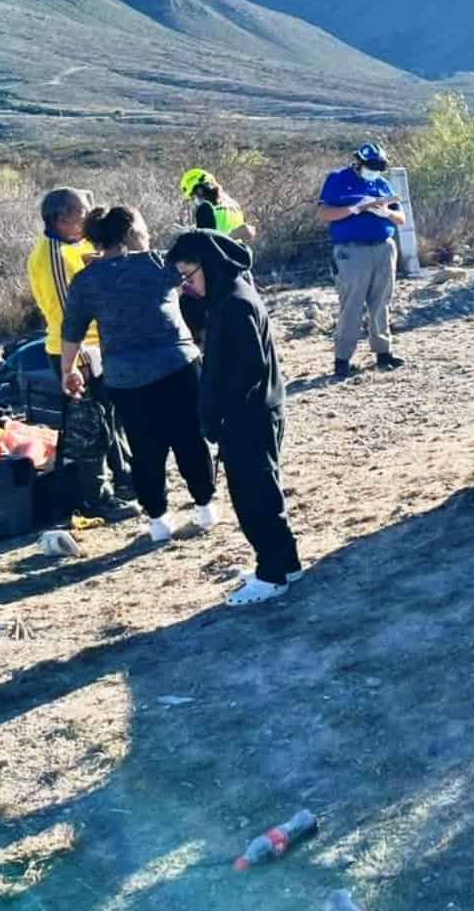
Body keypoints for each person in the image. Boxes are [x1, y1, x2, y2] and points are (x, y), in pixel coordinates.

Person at [60, 206, 219, 543]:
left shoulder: (86, 280)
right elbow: (195, 270)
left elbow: (72, 329)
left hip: (126, 377)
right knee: (190, 439)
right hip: (178, 365)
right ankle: (205, 507)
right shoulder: (157, 263)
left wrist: (68, 369)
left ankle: (159, 521)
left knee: (145, 449)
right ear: (131, 232)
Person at [167, 229, 302, 604]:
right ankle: (285, 563)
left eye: (189, 275)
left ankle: (272, 575)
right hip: (250, 414)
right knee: (262, 492)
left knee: (254, 498)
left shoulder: (236, 304)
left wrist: (223, 415)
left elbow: (248, 369)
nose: (187, 285)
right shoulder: (227, 297)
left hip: (248, 418)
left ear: (208, 265)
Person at [26, 187, 138, 523]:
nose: (89, 217)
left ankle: (126, 480)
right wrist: (77, 364)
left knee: (110, 420)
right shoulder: (53, 258)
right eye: (83, 212)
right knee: (93, 430)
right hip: (76, 355)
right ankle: (97, 499)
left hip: (98, 349)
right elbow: (69, 318)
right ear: (61, 219)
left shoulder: (77, 246)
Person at [317, 142, 406, 379]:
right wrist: (355, 208)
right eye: (371, 167)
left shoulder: (381, 184)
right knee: (352, 305)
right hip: (352, 251)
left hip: (383, 248)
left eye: (378, 168)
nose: (374, 171)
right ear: (358, 162)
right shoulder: (338, 179)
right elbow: (324, 213)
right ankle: (342, 360)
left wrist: (386, 212)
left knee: (381, 302)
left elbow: (401, 218)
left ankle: (383, 353)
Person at [181, 169, 257, 244]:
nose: (196, 199)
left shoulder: (206, 207)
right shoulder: (234, 205)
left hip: (225, 251)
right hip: (235, 250)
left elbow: (206, 245)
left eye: (195, 194)